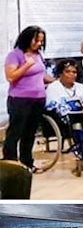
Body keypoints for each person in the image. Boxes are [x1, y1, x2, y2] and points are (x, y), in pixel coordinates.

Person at [3, 26, 48, 171]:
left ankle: (27, 162)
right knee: (16, 132)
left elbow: (41, 75)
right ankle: (10, 164)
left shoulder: (39, 55)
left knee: (30, 133)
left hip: (38, 99)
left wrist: (56, 81)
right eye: (36, 40)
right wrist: (26, 66)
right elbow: (11, 76)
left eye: (41, 41)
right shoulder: (15, 55)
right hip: (20, 100)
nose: (39, 44)